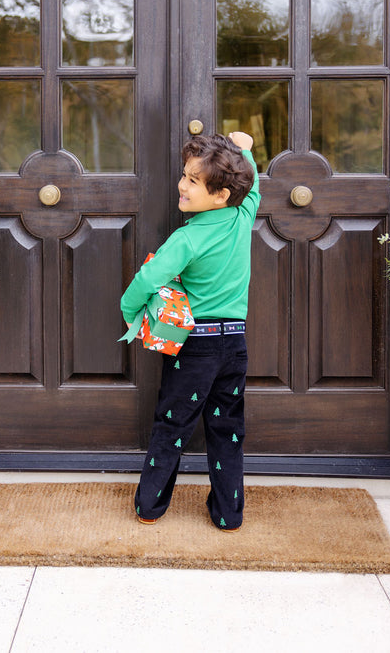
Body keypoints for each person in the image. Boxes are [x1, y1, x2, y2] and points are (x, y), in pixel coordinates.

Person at [120, 131, 260, 531]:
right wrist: (246, 150)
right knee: (227, 428)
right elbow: (254, 189)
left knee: (172, 424)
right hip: (234, 343)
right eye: (184, 175)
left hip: (195, 347)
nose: (182, 185)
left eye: (193, 181)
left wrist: (128, 311)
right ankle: (229, 514)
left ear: (220, 195)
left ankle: (149, 506)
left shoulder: (187, 238)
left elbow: (149, 278)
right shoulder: (241, 216)